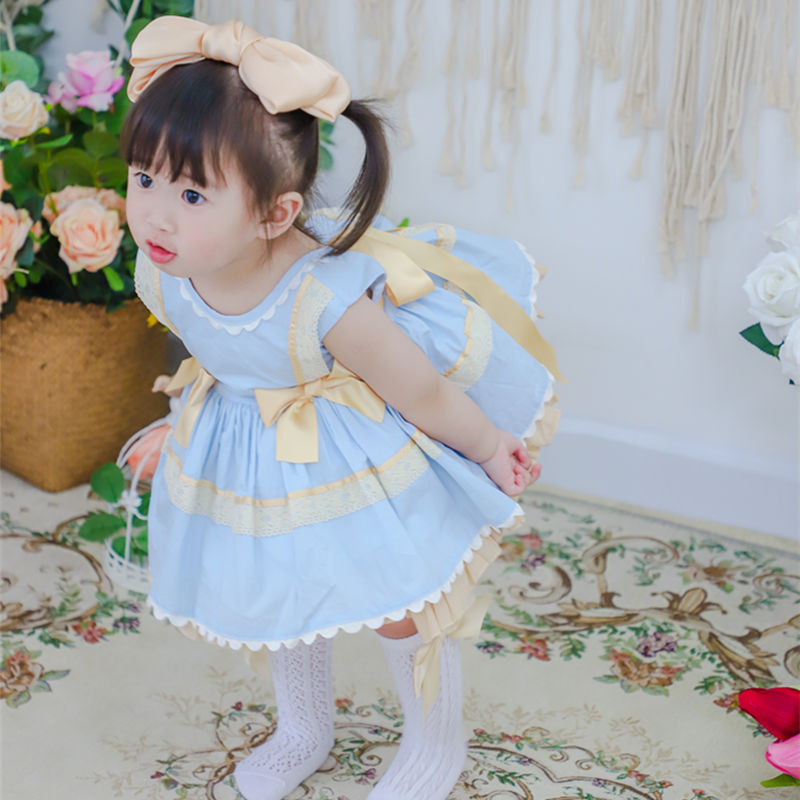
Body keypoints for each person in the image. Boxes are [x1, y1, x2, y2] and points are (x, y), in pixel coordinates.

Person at [122, 15, 562, 800]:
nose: (156, 213)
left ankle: (434, 741)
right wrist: (174, 423)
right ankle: (303, 727)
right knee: (282, 581)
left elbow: (420, 390)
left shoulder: (325, 299)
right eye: (143, 178)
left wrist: (490, 445)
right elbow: (218, 359)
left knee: (400, 604)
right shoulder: (166, 268)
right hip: (250, 446)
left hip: (346, 449)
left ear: (274, 214)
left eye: (191, 193)